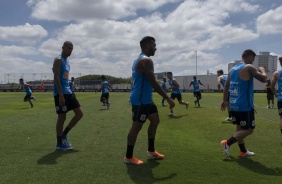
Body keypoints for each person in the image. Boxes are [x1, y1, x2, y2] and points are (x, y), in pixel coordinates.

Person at [124, 36, 175, 165]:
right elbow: (153, 82)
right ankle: (128, 157)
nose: (156, 48)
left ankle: (151, 151)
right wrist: (167, 98)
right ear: (147, 45)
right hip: (140, 100)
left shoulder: (140, 59)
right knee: (136, 127)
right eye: (154, 45)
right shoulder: (146, 60)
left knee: (155, 120)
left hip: (146, 99)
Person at [220, 49, 267, 158]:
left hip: (234, 104)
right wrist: (262, 70)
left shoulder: (232, 70)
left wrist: (225, 100)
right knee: (249, 130)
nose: (253, 62)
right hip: (244, 106)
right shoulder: (248, 67)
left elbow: (226, 86)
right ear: (250, 57)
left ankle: (243, 151)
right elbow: (264, 79)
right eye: (253, 60)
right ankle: (228, 143)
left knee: (239, 128)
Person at [53, 41, 83, 151]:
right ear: (63, 47)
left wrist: (71, 91)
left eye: (71, 49)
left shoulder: (67, 62)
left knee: (79, 114)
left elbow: (65, 78)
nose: (70, 50)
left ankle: (64, 134)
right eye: (68, 48)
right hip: (61, 93)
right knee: (62, 117)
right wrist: (60, 95)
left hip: (69, 92)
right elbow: (56, 78)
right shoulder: (58, 60)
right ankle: (59, 142)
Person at [270, 57, 282, 139]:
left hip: (281, 98)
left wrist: (276, 95)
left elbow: (272, 86)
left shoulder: (277, 73)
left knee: (281, 117)